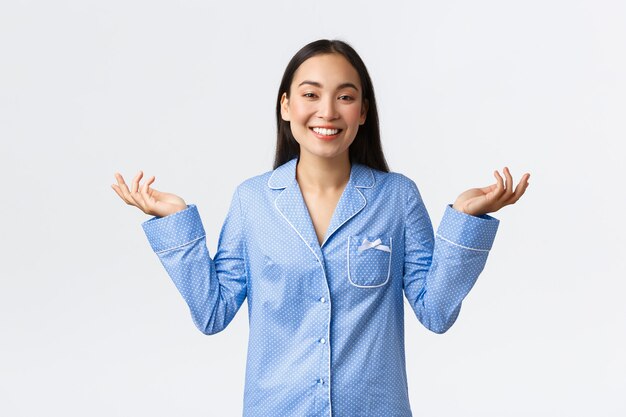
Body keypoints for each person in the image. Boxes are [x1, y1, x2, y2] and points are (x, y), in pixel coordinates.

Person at [111, 39, 530, 417]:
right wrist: (174, 221)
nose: (327, 111)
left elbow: (436, 311)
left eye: (345, 97)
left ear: (363, 111)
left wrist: (465, 219)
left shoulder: (397, 198)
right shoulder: (252, 200)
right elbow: (212, 312)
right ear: (286, 106)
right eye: (311, 94)